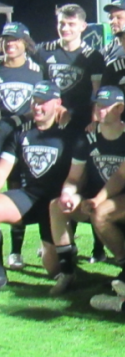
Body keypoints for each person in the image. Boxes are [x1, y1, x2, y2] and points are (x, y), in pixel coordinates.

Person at [48, 86, 125, 295]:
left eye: (104, 106)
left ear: (119, 108)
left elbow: (121, 178)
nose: (99, 110)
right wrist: (68, 194)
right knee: (56, 206)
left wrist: (95, 201)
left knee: (102, 215)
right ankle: (67, 271)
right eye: (97, 105)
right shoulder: (87, 137)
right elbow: (74, 177)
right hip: (95, 201)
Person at [0, 81, 79, 289]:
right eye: (34, 101)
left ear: (57, 104)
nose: (37, 106)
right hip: (29, 196)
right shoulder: (20, 132)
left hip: (55, 203)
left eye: (43, 102)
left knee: (54, 270)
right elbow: (3, 169)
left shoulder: (69, 133)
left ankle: (68, 256)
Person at [0, 22, 43, 270]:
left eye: (14, 39)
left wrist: (20, 120)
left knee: (19, 190)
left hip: (24, 140)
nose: (9, 44)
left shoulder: (37, 71)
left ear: (25, 42)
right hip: (1, 138)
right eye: (6, 39)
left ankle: (16, 251)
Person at [35, 4, 106, 130]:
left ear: (83, 26)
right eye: (61, 23)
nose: (65, 28)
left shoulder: (93, 57)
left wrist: (95, 122)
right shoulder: (43, 51)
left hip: (81, 120)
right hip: (49, 120)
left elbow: (97, 94)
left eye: (71, 24)